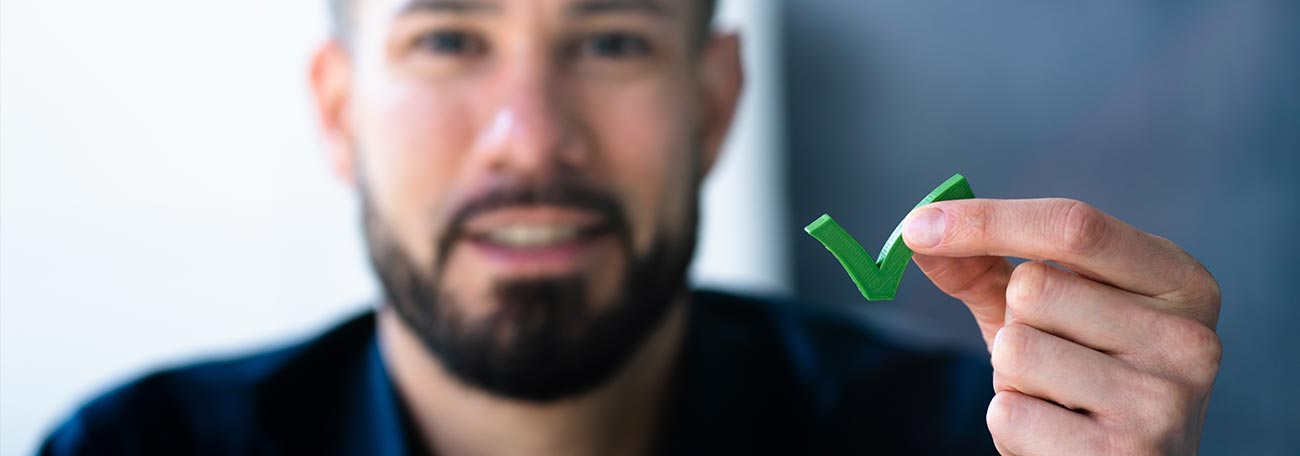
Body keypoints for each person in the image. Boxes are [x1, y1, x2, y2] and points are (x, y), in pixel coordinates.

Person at [40, 0, 1223, 454]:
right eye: (448, 40)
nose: (530, 135)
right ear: (340, 115)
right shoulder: (133, 451)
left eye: (609, 41)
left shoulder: (963, 444)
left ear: (713, 105)